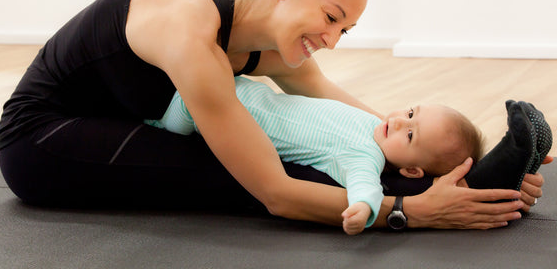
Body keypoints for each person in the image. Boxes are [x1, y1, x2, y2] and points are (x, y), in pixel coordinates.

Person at [0, 0, 547, 230]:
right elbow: (275, 192)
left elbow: (357, 122)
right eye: (330, 17)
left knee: (328, 151)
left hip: (122, 119)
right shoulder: (193, 33)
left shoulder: (270, 39)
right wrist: (413, 211)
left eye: (344, 30)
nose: (331, 40)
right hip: (40, 139)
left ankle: (479, 186)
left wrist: (440, 153)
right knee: (235, 174)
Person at [145, 76, 485, 234]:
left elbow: (366, 186)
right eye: (410, 112)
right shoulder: (373, 123)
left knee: (172, 122)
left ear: (412, 170)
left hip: (206, 110)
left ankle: (153, 121)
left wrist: (363, 209)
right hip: (239, 87)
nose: (397, 121)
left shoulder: (366, 157)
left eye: (410, 134)